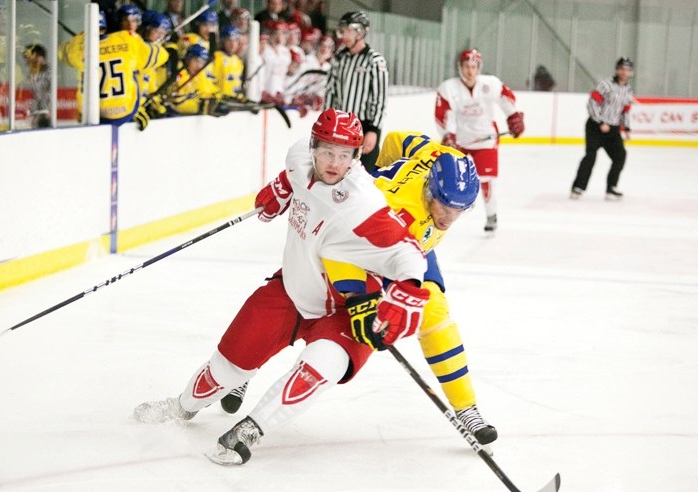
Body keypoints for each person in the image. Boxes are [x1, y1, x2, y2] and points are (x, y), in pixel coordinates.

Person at [134, 109, 431, 466]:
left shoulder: (362, 204)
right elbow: (295, 175)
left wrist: (409, 291)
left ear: (356, 157)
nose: (334, 163)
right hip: (291, 288)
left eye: (344, 154)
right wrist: (282, 188)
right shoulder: (298, 158)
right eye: (326, 151)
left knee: (319, 367)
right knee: (227, 366)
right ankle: (182, 406)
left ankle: (249, 431)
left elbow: (408, 253)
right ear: (312, 147)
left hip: (346, 309)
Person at [220, 131, 499, 445]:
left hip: (411, 248)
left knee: (436, 316)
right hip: (362, 240)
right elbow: (341, 249)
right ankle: (242, 368)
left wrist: (376, 168)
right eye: (445, 207)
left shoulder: (441, 158)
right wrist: (360, 296)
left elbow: (397, 140)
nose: (449, 218)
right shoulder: (391, 210)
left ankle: (466, 408)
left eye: (459, 211)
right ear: (430, 189)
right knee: (300, 296)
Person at [435, 49, 524, 234]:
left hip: (486, 141)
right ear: (460, 67)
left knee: (485, 180)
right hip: (460, 141)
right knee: (452, 180)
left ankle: (491, 215)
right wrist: (448, 134)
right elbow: (444, 113)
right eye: (466, 66)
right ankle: (444, 216)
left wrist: (514, 116)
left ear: (479, 68)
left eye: (473, 66)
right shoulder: (449, 88)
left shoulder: (490, 83)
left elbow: (506, 98)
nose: (470, 71)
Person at [325, 11, 388, 173]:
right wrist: (326, 120)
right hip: (339, 126)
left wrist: (374, 131)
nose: (344, 35)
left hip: (363, 128)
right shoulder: (340, 58)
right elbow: (330, 91)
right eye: (342, 30)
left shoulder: (374, 60)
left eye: (348, 31)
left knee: (361, 179)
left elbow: (380, 99)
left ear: (360, 32)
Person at [570, 57, 635, 200]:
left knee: (620, 156)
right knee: (591, 156)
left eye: (627, 70)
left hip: (612, 129)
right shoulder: (606, 85)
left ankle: (611, 188)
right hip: (595, 126)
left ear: (631, 72)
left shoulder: (628, 90)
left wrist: (627, 128)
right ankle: (578, 187)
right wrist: (600, 122)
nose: (624, 72)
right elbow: (592, 103)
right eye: (622, 69)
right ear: (617, 70)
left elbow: (625, 110)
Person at [22, 43, 51, 128]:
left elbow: (51, 95)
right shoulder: (32, 74)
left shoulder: (51, 74)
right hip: (36, 116)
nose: (27, 61)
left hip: (47, 116)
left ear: (39, 57)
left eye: (29, 57)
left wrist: (47, 112)